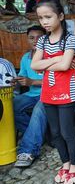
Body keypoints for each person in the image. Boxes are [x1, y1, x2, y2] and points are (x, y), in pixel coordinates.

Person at [31, 0, 75, 184]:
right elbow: (34, 65)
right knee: (55, 132)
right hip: (48, 92)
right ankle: (65, 163)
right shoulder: (42, 40)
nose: (44, 22)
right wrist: (60, 58)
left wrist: (54, 61)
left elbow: (65, 66)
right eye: (40, 18)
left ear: (60, 16)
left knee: (67, 131)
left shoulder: (70, 39)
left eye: (48, 17)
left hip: (66, 91)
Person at [12, 25, 48, 167]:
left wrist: (32, 81)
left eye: (39, 38)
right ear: (27, 40)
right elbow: (23, 76)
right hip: (31, 94)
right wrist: (17, 81)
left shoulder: (50, 56)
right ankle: (36, 135)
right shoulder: (26, 58)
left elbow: (54, 80)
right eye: (31, 38)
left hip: (48, 95)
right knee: (10, 106)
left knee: (38, 109)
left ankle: (28, 150)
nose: (35, 41)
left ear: (45, 39)